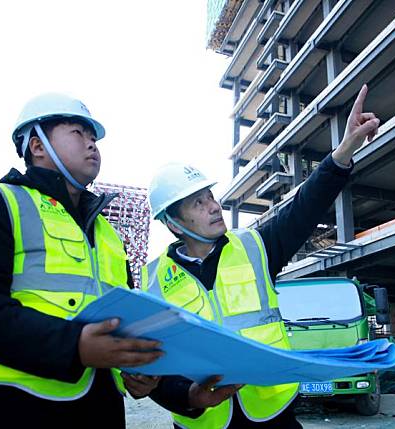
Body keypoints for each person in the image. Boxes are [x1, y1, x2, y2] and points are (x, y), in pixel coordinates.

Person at [142, 85, 379, 428]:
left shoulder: (254, 247)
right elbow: (152, 367)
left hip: (272, 414)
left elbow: (304, 208)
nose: (213, 206)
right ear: (174, 224)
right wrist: (189, 396)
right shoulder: (154, 282)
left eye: (211, 196)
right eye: (198, 202)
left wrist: (344, 152)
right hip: (203, 421)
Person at [0, 93, 166, 428]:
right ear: (37, 145)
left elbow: (120, 319)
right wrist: (74, 346)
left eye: (93, 137)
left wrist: (134, 369)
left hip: (98, 412)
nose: (92, 145)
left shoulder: (108, 235)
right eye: (77, 133)